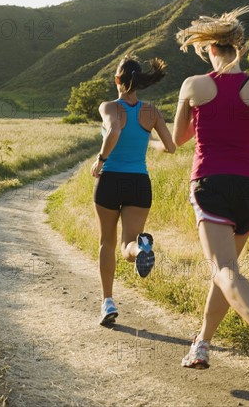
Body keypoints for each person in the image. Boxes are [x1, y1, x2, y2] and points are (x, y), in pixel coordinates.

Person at [172, 7, 249, 393]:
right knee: (226, 272)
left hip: (210, 184)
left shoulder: (194, 84)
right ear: (239, 48)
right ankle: (202, 344)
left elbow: (178, 140)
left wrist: (200, 114)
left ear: (209, 47)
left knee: (225, 271)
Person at [91, 54, 176, 326]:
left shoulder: (109, 107)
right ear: (138, 81)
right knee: (128, 244)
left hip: (110, 180)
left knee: (107, 242)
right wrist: (150, 143)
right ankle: (141, 250)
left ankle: (107, 302)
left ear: (117, 80)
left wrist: (101, 159)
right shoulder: (151, 111)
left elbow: (114, 131)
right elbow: (171, 146)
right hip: (139, 183)